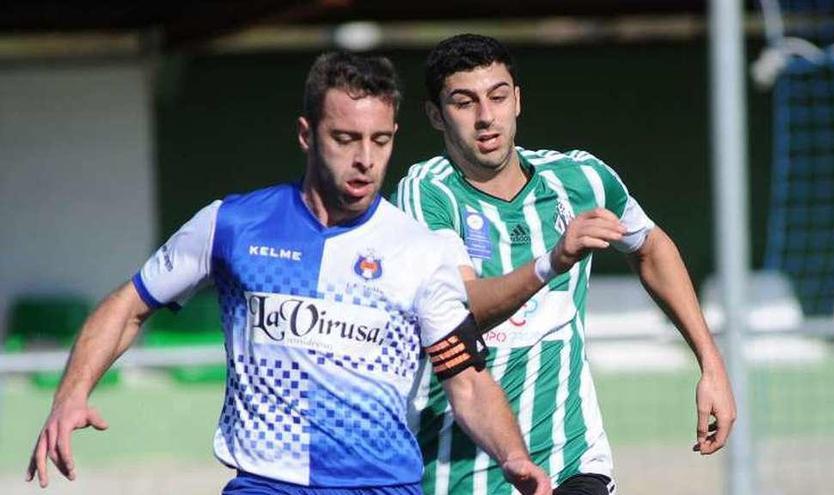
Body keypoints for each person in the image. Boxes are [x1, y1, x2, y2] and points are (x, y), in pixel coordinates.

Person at [26, 51, 551, 495]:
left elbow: (467, 379)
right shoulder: (231, 225)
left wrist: (512, 456)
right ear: (306, 134)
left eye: (380, 140)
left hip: (381, 485)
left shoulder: (419, 251)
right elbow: (129, 304)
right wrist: (71, 394)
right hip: (264, 482)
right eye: (345, 138)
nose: (366, 159)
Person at [394, 34, 737, 495]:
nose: (485, 116)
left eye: (498, 96)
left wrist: (711, 365)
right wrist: (553, 262)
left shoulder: (580, 178)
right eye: (464, 102)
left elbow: (651, 247)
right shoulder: (427, 192)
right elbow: (463, 309)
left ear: (517, 100)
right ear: (436, 115)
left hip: (572, 462)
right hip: (459, 473)